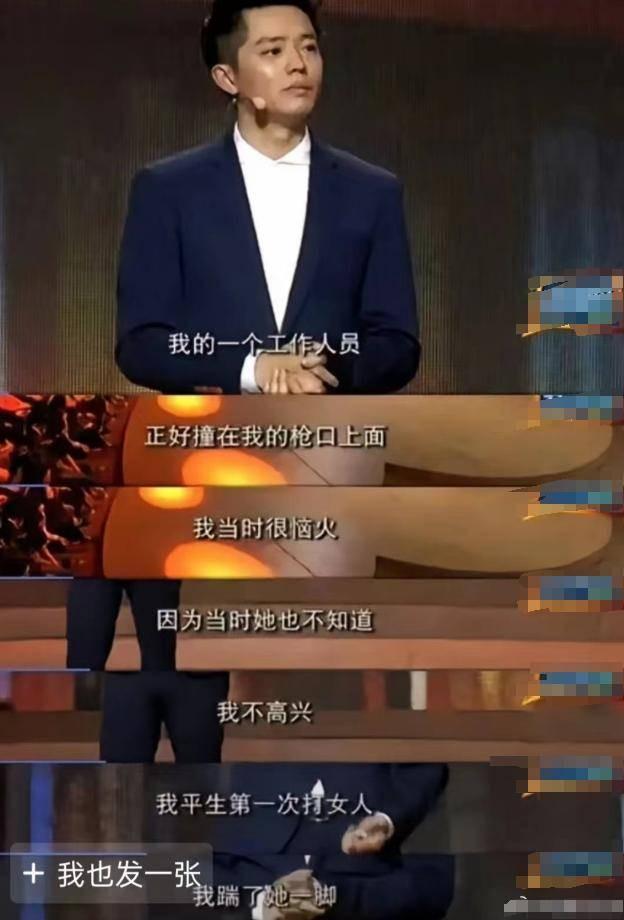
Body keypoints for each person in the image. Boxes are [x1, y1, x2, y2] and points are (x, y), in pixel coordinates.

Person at [116, 0, 420, 396]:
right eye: (273, 51)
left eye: (308, 47)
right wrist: (252, 368)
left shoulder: (373, 192)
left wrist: (322, 368)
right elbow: (142, 343)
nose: (299, 64)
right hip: (214, 426)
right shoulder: (166, 190)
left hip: (333, 425)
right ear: (228, 77)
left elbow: (397, 344)